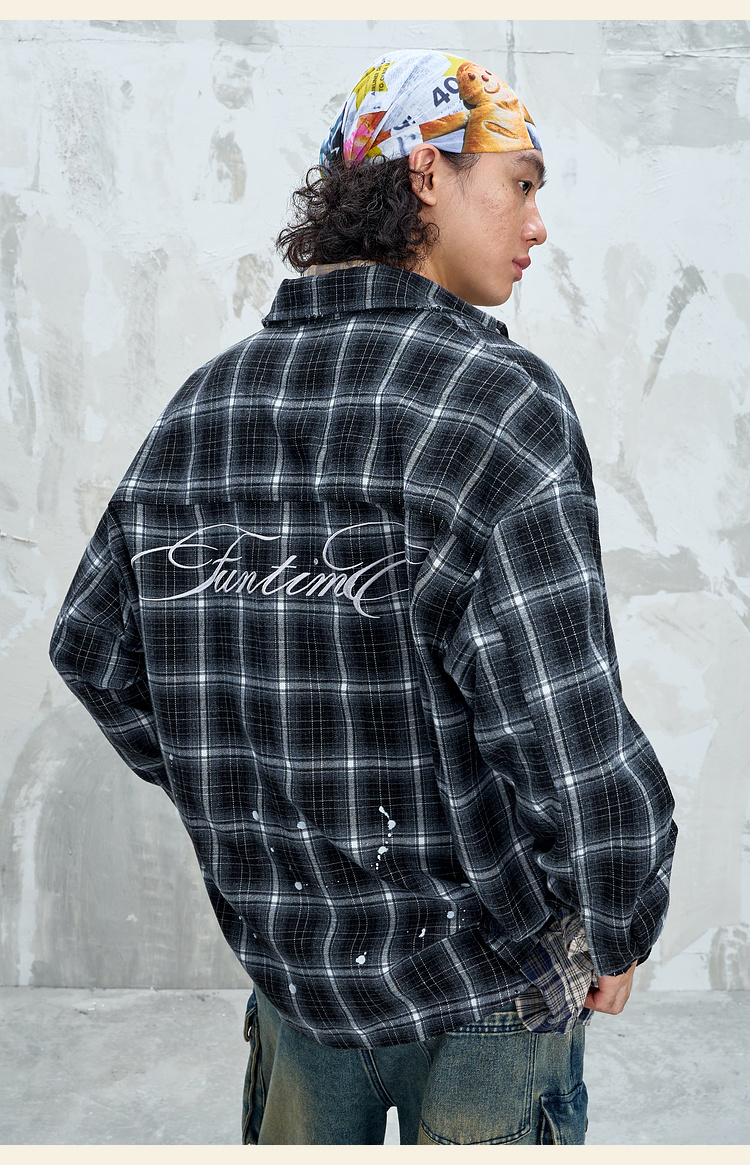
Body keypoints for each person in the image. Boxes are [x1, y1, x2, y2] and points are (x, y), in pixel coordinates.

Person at [49, 49, 677, 1145]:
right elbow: (567, 727)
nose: (538, 226)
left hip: (294, 981)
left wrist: (244, 784)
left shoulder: (205, 405)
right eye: (521, 183)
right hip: (487, 985)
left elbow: (94, 651)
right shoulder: (496, 402)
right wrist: (618, 908)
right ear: (426, 173)